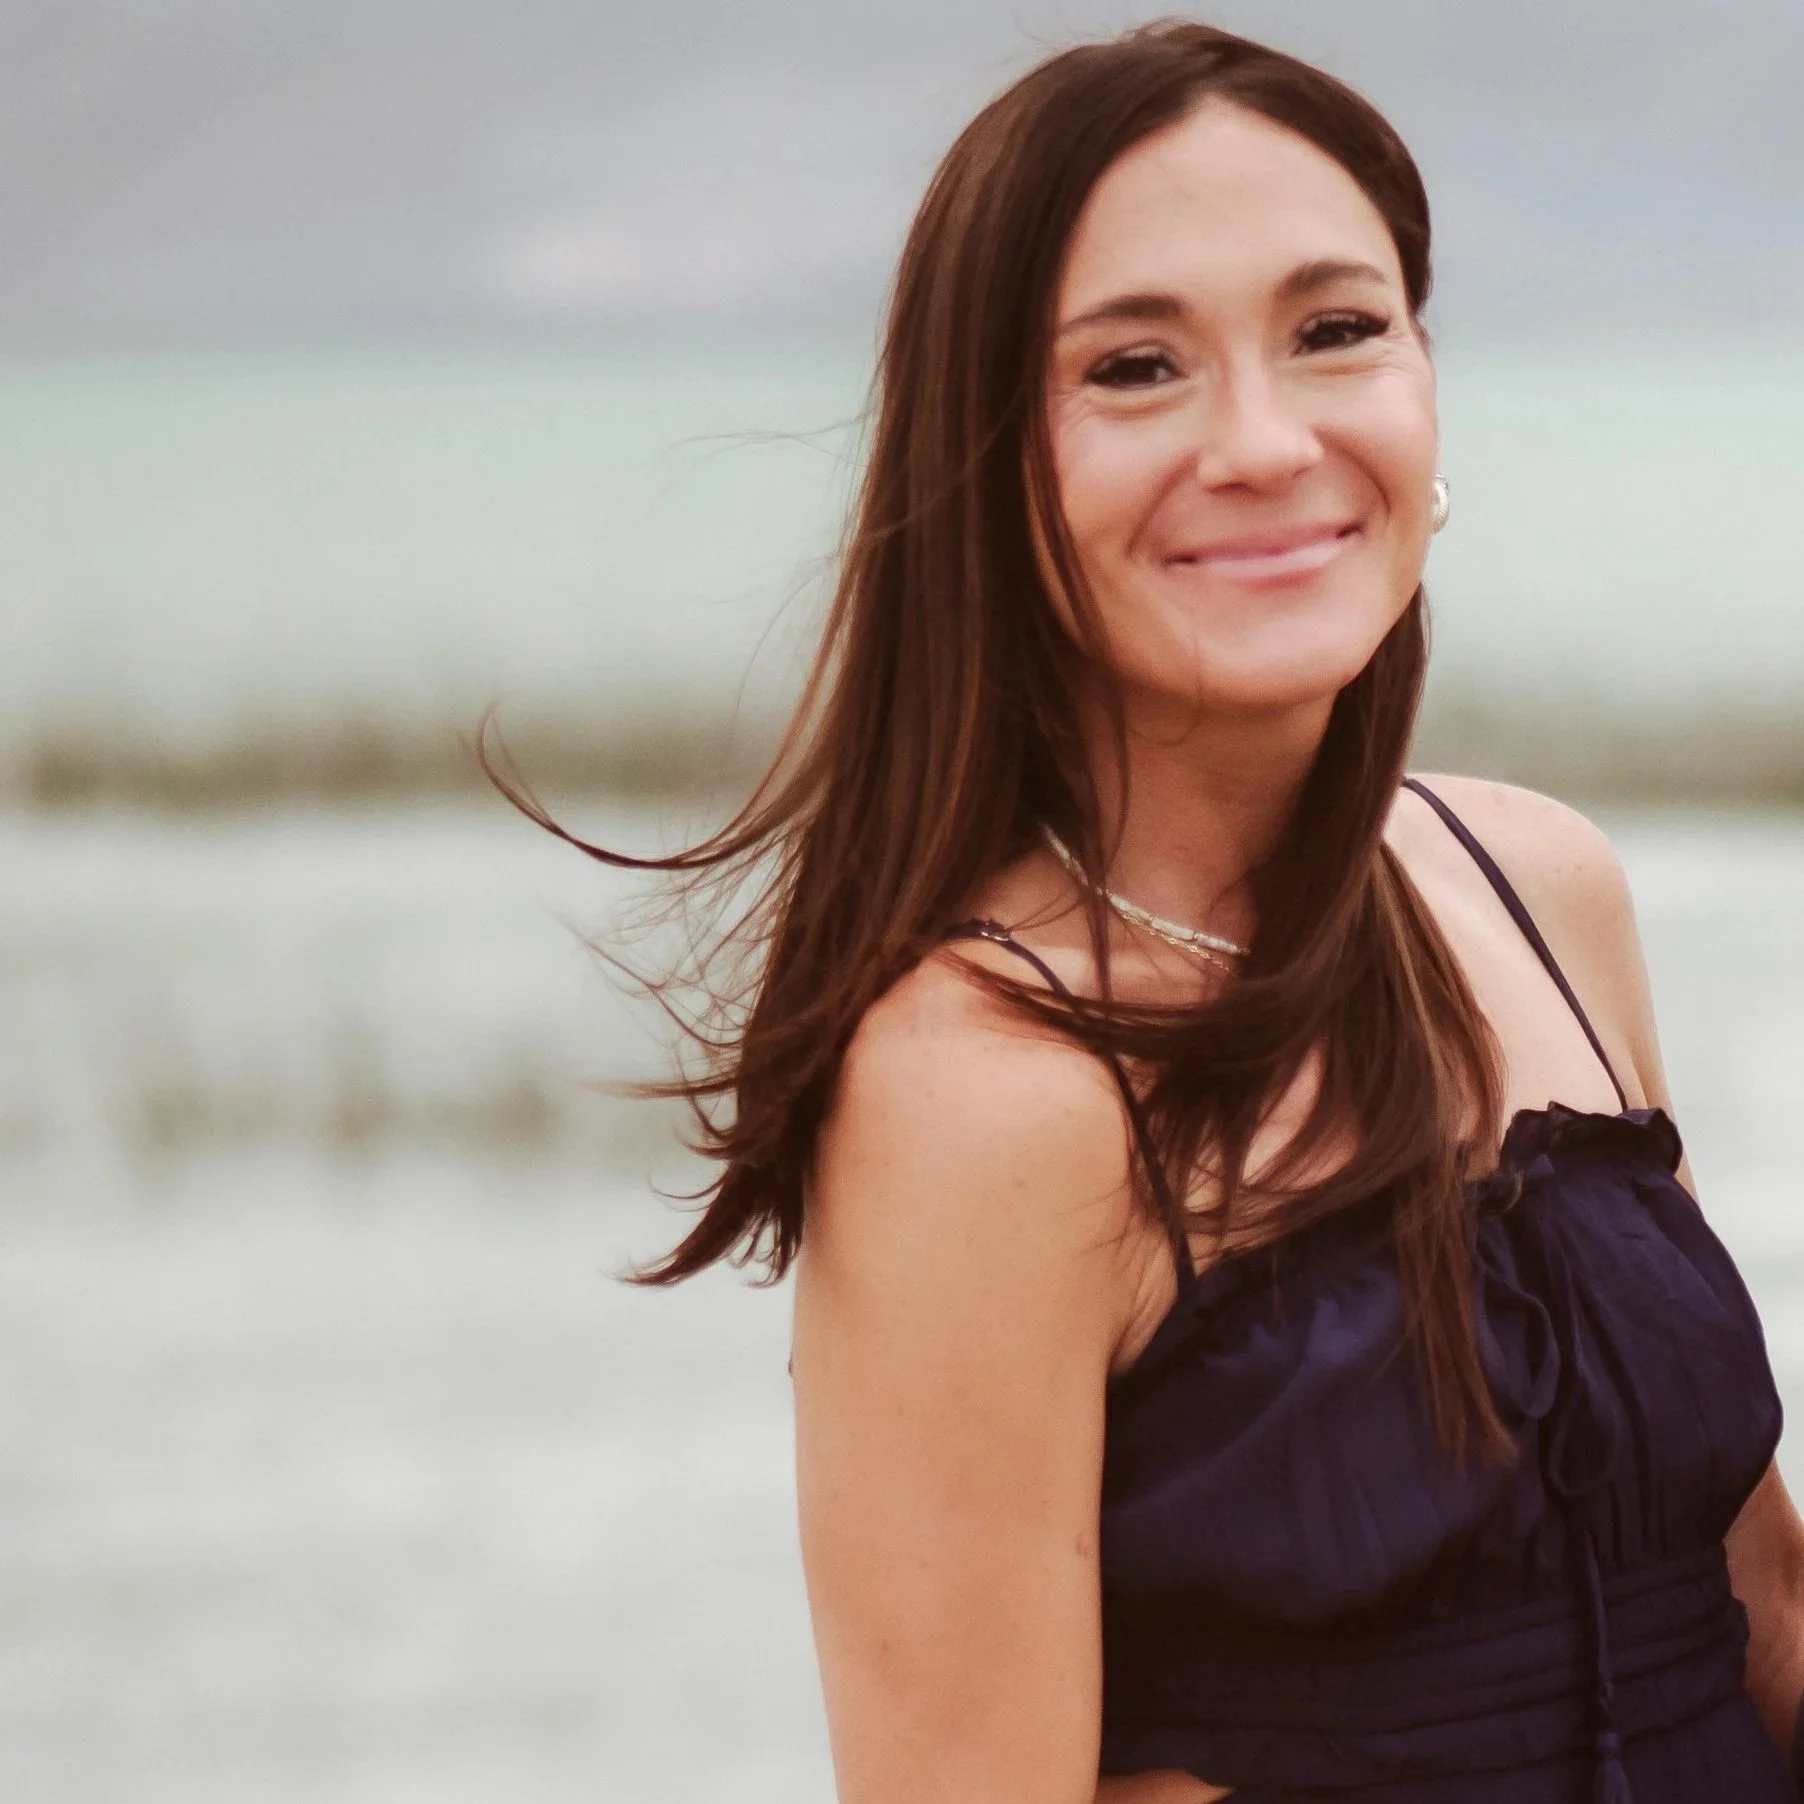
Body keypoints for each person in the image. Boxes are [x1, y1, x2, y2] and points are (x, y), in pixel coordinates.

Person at [493, 20, 1804, 1803]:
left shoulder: (1539, 885)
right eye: (1134, 367)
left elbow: (1757, 1605)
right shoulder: (985, 1090)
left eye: (1336, 330)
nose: (1264, 442)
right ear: (987, 466)